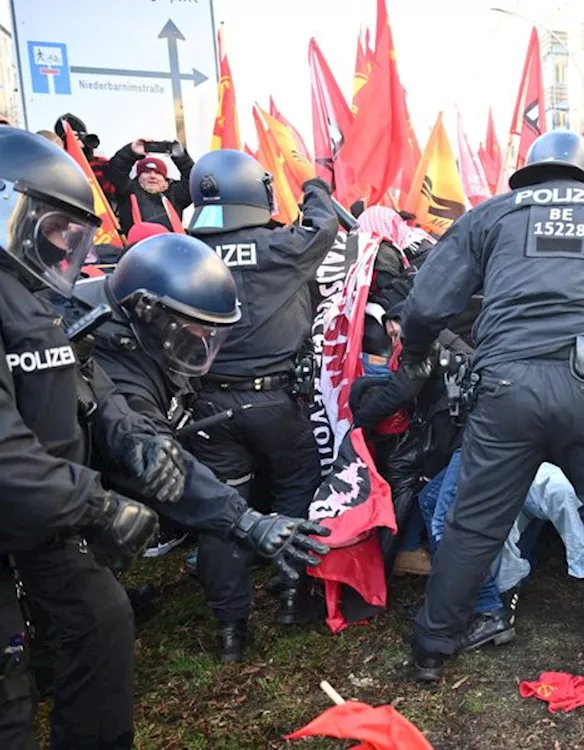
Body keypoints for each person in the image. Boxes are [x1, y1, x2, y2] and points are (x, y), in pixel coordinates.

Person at [398, 130, 584, 703]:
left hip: (505, 386)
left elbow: (426, 304)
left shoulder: (492, 214)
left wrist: (419, 349)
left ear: (529, 172)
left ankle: (430, 647)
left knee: (475, 522)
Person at [76, 233, 332, 662]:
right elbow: (132, 420)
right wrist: (246, 520)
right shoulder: (110, 345)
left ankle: (232, 629)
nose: (200, 346)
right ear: (150, 314)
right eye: (191, 333)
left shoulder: (135, 333)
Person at [0, 127, 175, 749]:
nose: (60, 251)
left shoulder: (34, 301)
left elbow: (88, 388)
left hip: (41, 517)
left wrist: (141, 443)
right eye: (53, 230)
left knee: (101, 624)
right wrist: (96, 503)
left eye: (71, 238)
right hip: (37, 504)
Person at [185, 149, 339, 624]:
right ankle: (292, 597)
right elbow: (325, 226)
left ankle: (230, 628)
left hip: (209, 404)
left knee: (222, 508)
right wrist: (316, 188)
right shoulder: (281, 248)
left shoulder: (187, 252)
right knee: (297, 485)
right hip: (277, 402)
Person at [106, 139, 194, 235]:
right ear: (138, 176)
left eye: (158, 173)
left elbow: (194, 180)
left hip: (171, 246)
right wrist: (131, 151)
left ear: (165, 178)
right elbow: (116, 171)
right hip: (136, 246)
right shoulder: (127, 190)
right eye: (146, 172)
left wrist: (181, 157)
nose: (152, 176)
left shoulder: (175, 193)